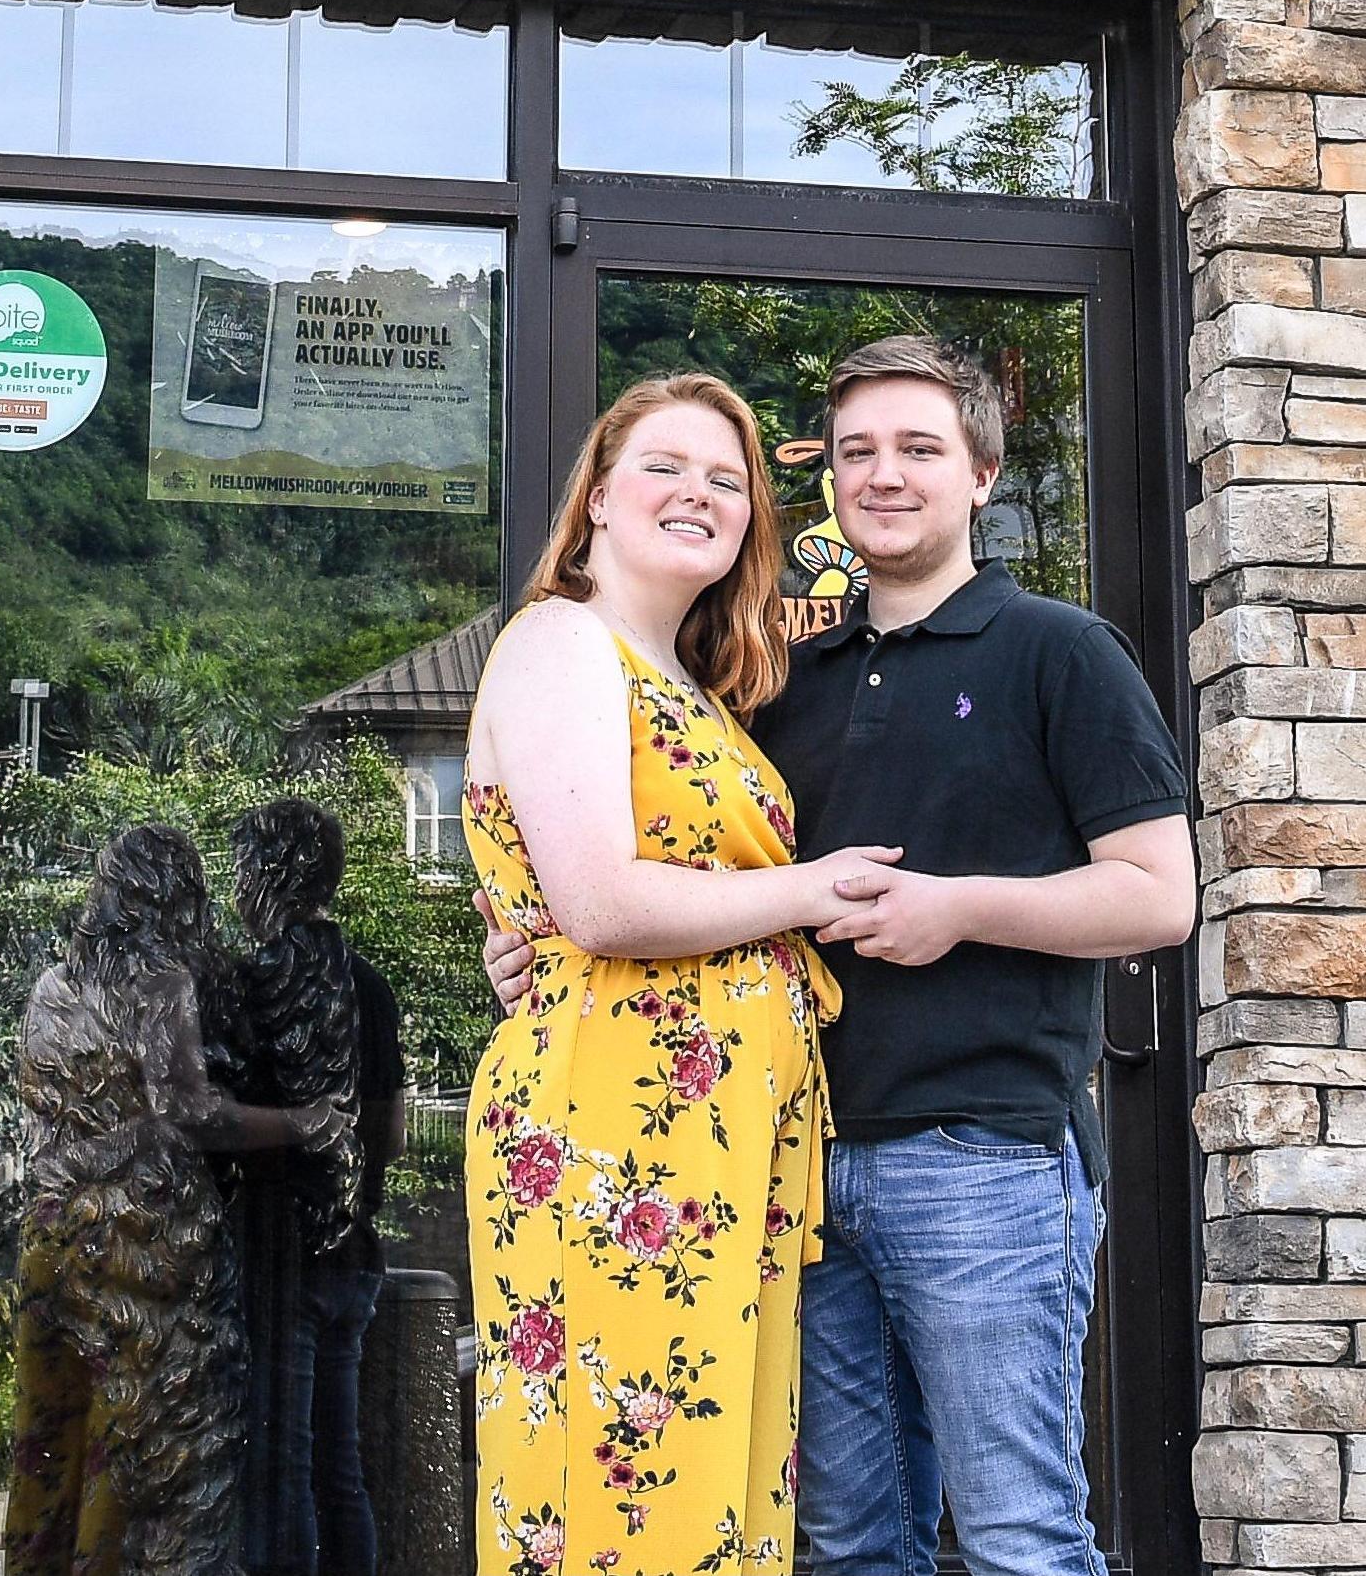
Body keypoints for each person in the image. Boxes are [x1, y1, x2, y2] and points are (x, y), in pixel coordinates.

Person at [486, 340, 1197, 1576]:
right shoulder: (773, 682)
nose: (885, 475)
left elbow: (1158, 898)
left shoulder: (1062, 651)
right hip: (787, 1168)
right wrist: (529, 939)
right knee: (850, 1541)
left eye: (920, 448)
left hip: (980, 1157)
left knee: (1021, 1532)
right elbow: (645, 852)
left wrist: (958, 909)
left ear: (982, 475)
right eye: (857, 452)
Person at [461, 374, 902, 1576]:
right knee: (621, 1494)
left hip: (710, 1139)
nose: (697, 493)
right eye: (663, 466)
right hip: (614, 1132)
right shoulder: (563, 641)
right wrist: (811, 891)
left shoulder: (696, 688)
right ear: (598, 498)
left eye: (726, 478)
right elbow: (602, 904)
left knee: (703, 1493)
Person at [4, 823, 340, 1576]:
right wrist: (302, 1122)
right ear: (175, 899)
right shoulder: (160, 985)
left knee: (46, 1443)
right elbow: (192, 1112)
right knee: (143, 1451)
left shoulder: (52, 985)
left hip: (51, 1232)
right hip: (141, 1241)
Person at [222, 797, 400, 1576]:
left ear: (268, 875)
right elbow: (393, 1133)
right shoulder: (370, 984)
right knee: (339, 1465)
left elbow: (212, 1122)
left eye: (241, 868)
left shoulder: (251, 982)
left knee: (280, 1466)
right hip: (353, 1252)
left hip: (275, 1251)